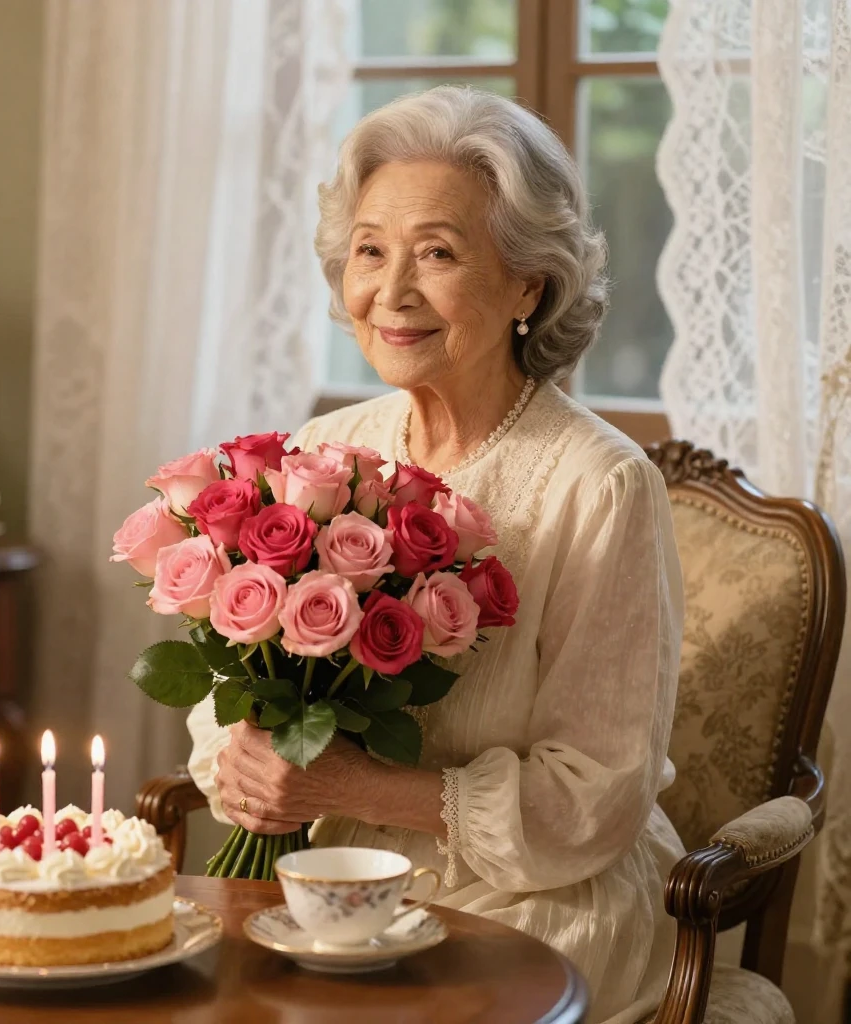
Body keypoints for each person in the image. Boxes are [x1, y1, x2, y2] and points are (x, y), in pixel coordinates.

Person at [187, 85, 685, 1024]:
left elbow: (595, 799)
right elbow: (241, 700)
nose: (391, 291)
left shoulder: (601, 484)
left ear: (530, 284)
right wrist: (250, 757)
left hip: (532, 896)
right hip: (328, 871)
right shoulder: (323, 456)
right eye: (370, 251)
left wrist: (352, 785)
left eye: (439, 253)